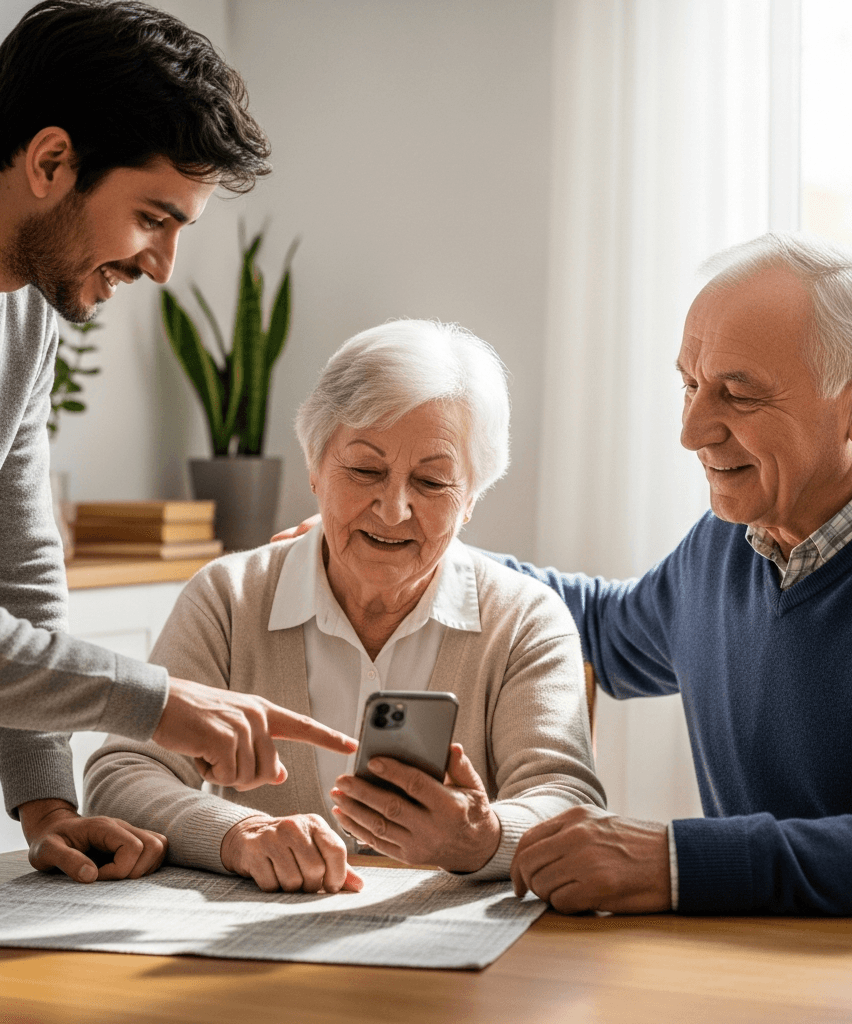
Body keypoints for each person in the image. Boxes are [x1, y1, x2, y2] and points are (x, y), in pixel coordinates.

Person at [0, 0, 356, 887]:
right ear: (52, 161)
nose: (163, 266)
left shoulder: (23, 308)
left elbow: (9, 564)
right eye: (154, 219)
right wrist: (157, 705)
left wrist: (47, 801)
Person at [280, 234, 852, 916]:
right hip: (766, 965)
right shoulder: (727, 547)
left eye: (737, 396)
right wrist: (410, 544)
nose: (691, 431)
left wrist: (677, 862)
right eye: (689, 385)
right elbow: (602, 625)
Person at [83, 319, 604, 894]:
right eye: (365, 471)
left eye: (432, 482)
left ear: (472, 498)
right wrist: (242, 834)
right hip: (261, 950)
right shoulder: (229, 598)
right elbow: (123, 772)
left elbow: (569, 800)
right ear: (314, 466)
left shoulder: (527, 618)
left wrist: (482, 838)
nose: (393, 509)